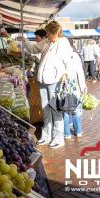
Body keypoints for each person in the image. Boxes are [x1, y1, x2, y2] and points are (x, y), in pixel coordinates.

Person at [23, 21, 73, 149]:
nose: (47, 35)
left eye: (49, 33)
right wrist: (24, 41)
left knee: (55, 110)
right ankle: (46, 136)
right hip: (42, 80)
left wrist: (66, 73)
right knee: (45, 109)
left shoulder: (63, 43)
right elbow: (33, 48)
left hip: (55, 81)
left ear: (55, 33)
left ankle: (58, 137)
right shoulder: (46, 42)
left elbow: (69, 61)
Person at [63, 52, 87, 139]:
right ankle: (78, 131)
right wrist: (83, 87)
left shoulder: (58, 54)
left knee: (64, 110)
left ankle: (66, 133)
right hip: (74, 86)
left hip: (63, 86)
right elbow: (80, 72)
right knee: (76, 109)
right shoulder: (74, 56)